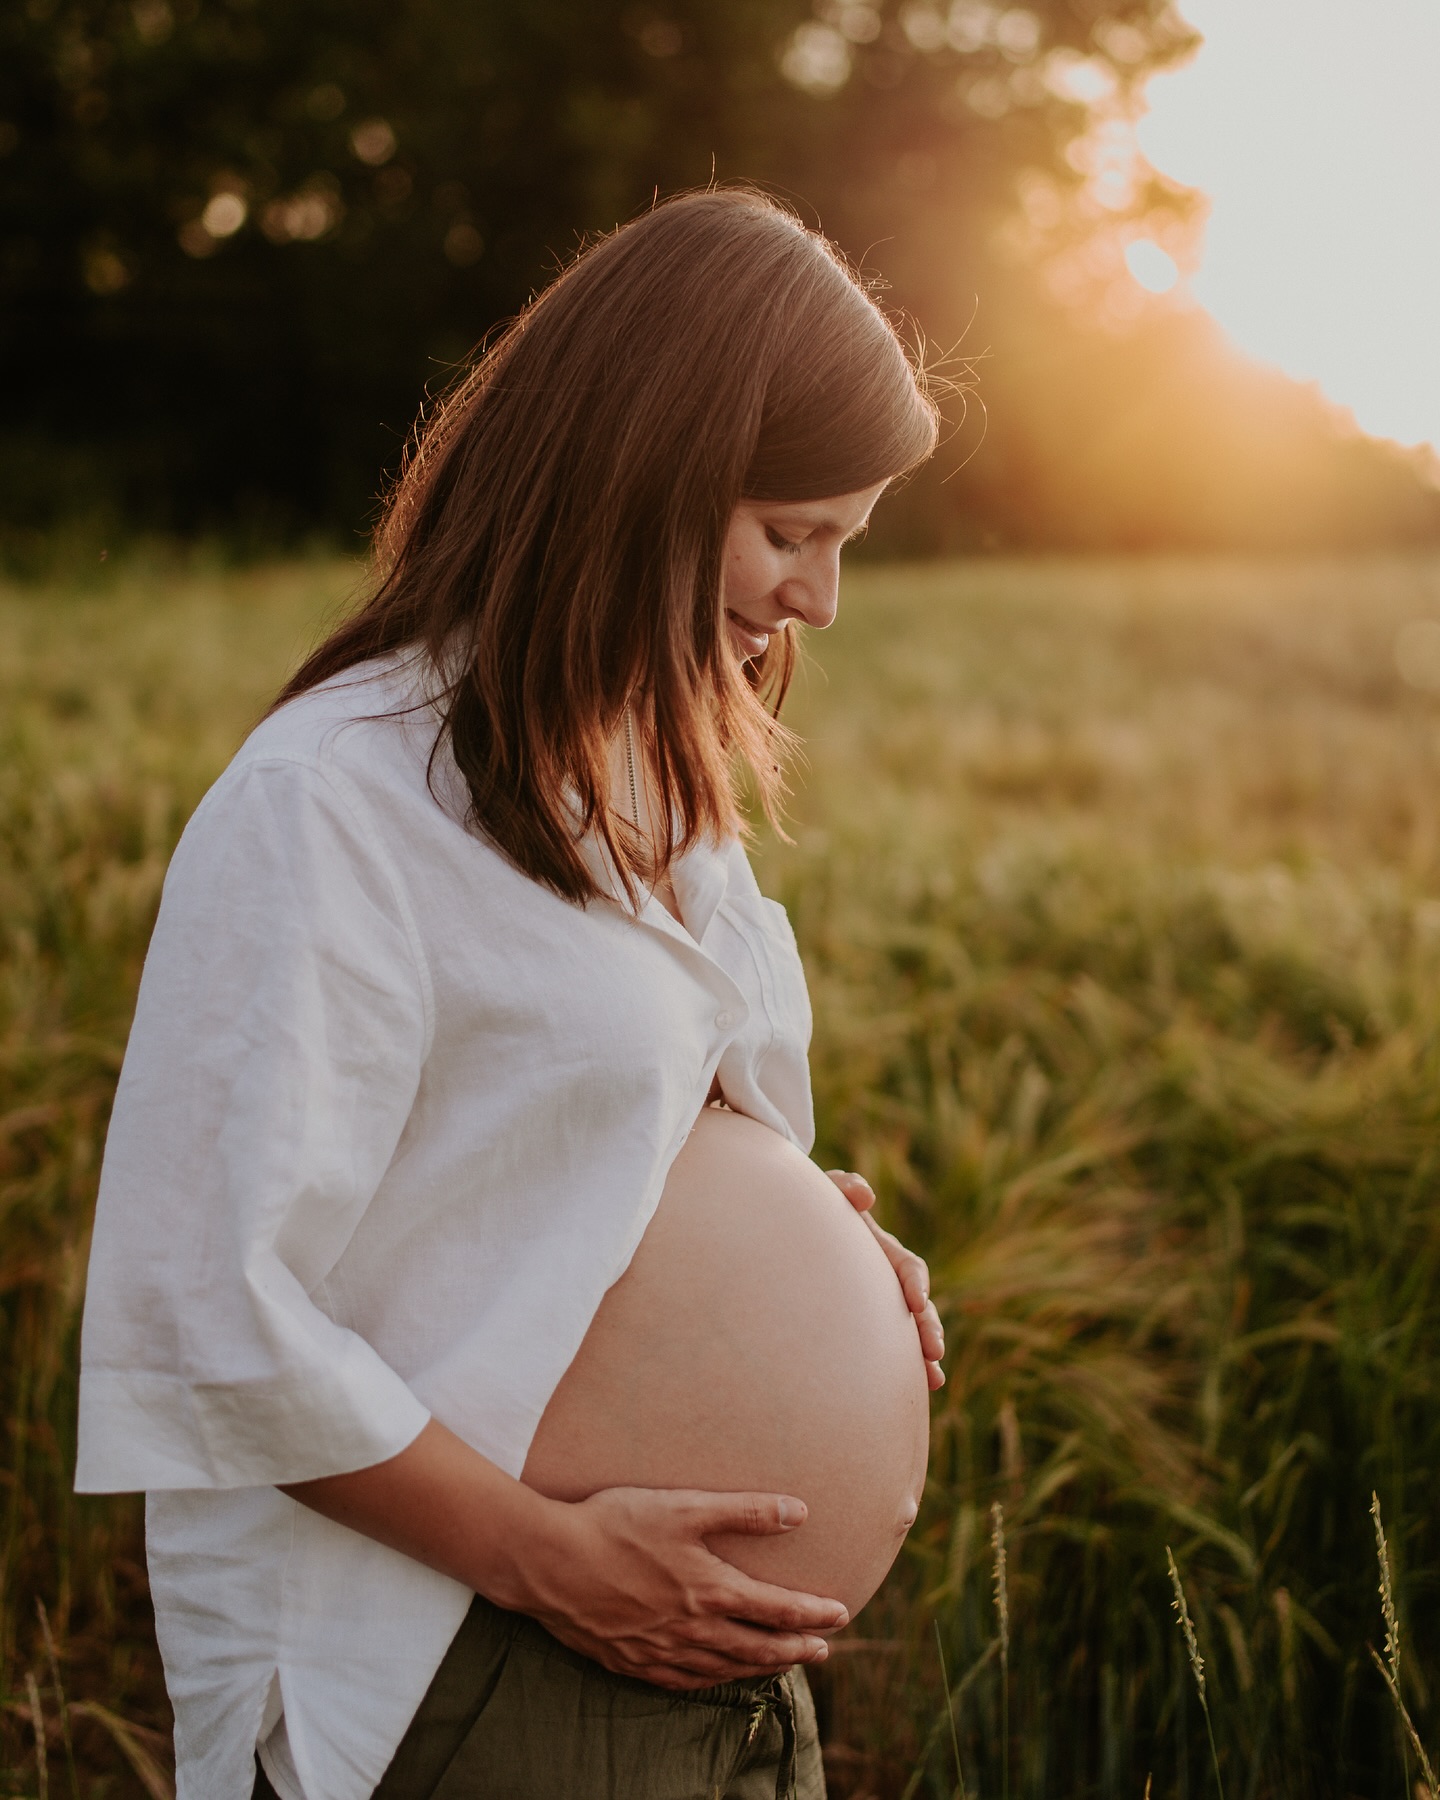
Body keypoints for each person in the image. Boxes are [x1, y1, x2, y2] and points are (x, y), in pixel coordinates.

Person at [76, 187, 943, 1800]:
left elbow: (575, 1169)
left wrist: (821, 1240)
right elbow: (211, 1308)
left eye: (846, 544)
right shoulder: (332, 805)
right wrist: (556, 1562)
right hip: (458, 1657)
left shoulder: (658, 791)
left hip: (718, 1665)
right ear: (646, 477)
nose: (819, 601)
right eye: (791, 533)